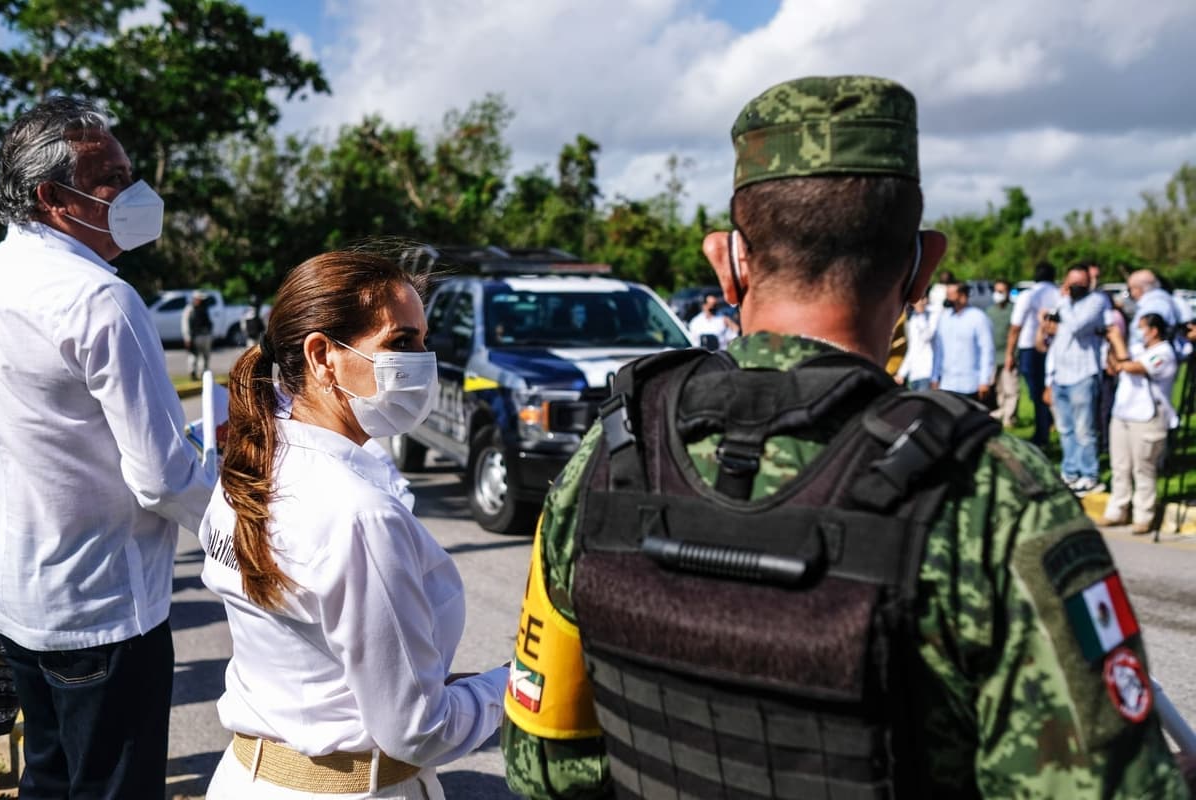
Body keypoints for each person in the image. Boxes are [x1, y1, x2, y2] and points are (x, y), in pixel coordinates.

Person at [502, 75, 1185, 798]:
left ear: (727, 261)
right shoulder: (990, 494)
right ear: (923, 266)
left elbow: (542, 767)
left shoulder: (611, 456)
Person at [201, 250, 506, 799]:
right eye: (400, 342)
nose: (423, 360)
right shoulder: (358, 514)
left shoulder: (254, 464)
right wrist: (517, 683)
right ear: (323, 356)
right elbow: (420, 731)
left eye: (423, 340)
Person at [0, 96, 214, 798]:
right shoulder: (100, 300)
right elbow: (162, 477)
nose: (132, 192)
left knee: (48, 780)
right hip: (104, 610)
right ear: (50, 198)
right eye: (111, 179)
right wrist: (248, 517)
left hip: (23, 601)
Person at [1101, 314, 1179, 534]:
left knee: (1143, 468)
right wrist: (1110, 346)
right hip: (1123, 414)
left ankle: (1144, 514)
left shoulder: (1164, 353)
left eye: (1141, 327)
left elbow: (1134, 367)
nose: (1137, 332)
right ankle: (1117, 510)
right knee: (1120, 466)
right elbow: (1115, 367)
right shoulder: (1136, 347)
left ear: (1154, 330)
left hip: (1148, 417)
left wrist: (1118, 342)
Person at [1043, 265, 1109, 496]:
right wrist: (1048, 378)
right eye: (1071, 283)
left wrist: (1064, 303)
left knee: (1084, 430)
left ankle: (1089, 475)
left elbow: (1076, 326)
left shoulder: (1096, 302)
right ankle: (1070, 472)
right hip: (1061, 374)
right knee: (1065, 429)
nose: (1075, 288)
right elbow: (1054, 342)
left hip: (1083, 374)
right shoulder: (1063, 304)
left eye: (1080, 283)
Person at [1006, 261, 1060, 447]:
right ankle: (1047, 426)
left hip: (1030, 348)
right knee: (1048, 391)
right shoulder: (1059, 294)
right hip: (1055, 347)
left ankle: (1042, 433)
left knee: (1037, 394)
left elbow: (1015, 327)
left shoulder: (1029, 295)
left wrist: (1009, 354)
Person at [932, 280, 995, 401]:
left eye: (951, 294)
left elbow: (987, 350)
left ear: (962, 295)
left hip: (970, 384)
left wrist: (984, 380)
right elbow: (938, 350)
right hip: (947, 383)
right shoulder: (944, 318)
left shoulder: (978, 318)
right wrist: (935, 377)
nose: (948, 298)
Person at [986, 278, 1018, 425]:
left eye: (1001, 291)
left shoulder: (1013, 310)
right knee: (999, 389)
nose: (998, 294)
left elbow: (1015, 333)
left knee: (1010, 388)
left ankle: (1009, 418)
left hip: (1008, 355)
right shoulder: (990, 311)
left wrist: (1010, 355)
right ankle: (1002, 412)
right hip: (994, 357)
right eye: (996, 291)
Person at [894, 294, 936, 390]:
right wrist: (902, 373)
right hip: (913, 374)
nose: (920, 302)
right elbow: (912, 349)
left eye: (923, 299)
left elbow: (927, 336)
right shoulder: (912, 320)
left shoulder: (932, 316)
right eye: (918, 299)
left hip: (927, 373)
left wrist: (921, 315)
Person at [183, 289, 215, 379]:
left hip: (206, 335)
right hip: (195, 336)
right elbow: (185, 324)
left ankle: (203, 374)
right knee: (193, 355)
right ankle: (192, 372)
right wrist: (187, 337)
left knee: (205, 357)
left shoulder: (204, 308)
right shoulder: (189, 309)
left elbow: (209, 322)